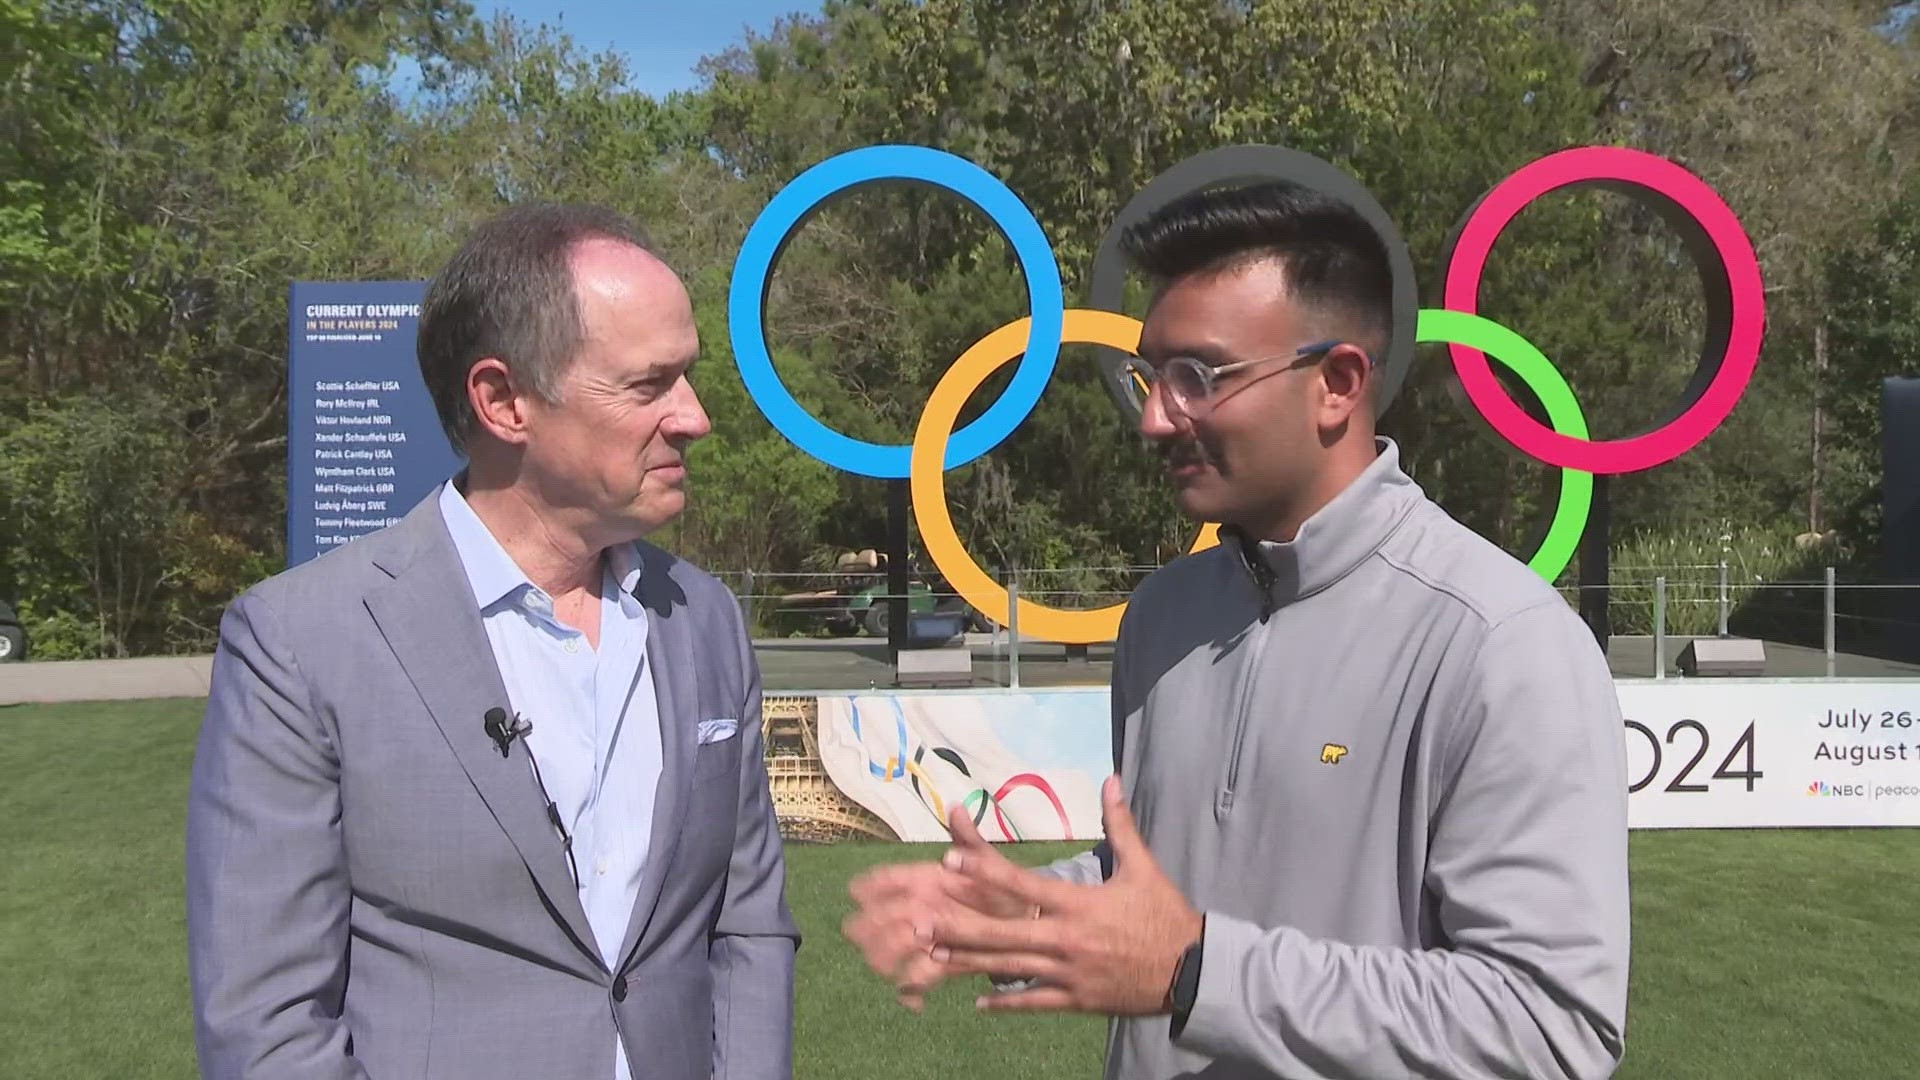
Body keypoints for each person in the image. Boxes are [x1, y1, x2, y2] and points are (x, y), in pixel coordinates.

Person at [843, 179, 1631, 1079]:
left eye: (1197, 378)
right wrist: (1011, 908)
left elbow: (1549, 1027)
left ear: (1337, 384)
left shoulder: (1500, 643)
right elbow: (1169, 876)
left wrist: (1198, 973)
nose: (1152, 417)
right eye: (1150, 377)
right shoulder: (1165, 616)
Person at [186, 203, 799, 1080]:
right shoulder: (300, 643)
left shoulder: (705, 621)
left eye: (687, 377)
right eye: (648, 384)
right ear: (504, 401)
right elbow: (265, 1023)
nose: (693, 416)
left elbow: (748, 923)